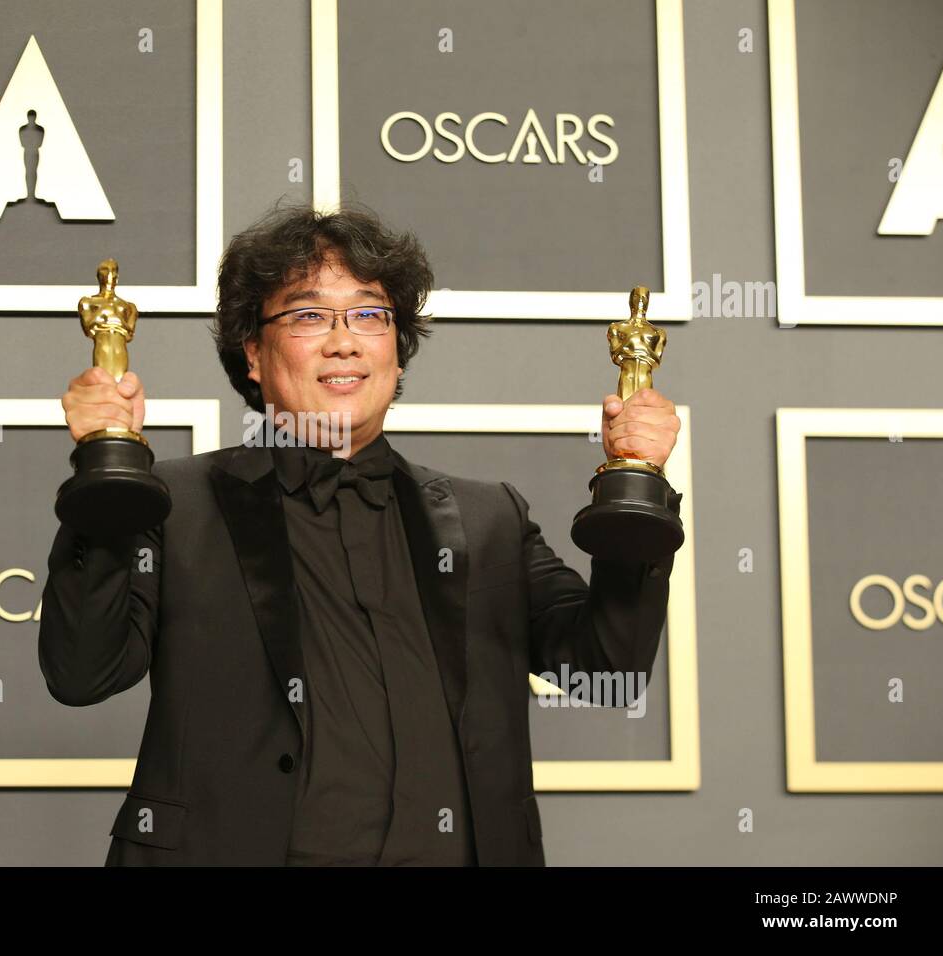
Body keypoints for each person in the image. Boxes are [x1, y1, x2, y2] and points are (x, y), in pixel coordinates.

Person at [38, 203, 681, 866]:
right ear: (253, 354)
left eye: (370, 314)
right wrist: (105, 477)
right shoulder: (176, 505)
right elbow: (83, 672)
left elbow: (611, 669)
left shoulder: (490, 519)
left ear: (397, 354)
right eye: (309, 314)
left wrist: (639, 485)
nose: (344, 340)